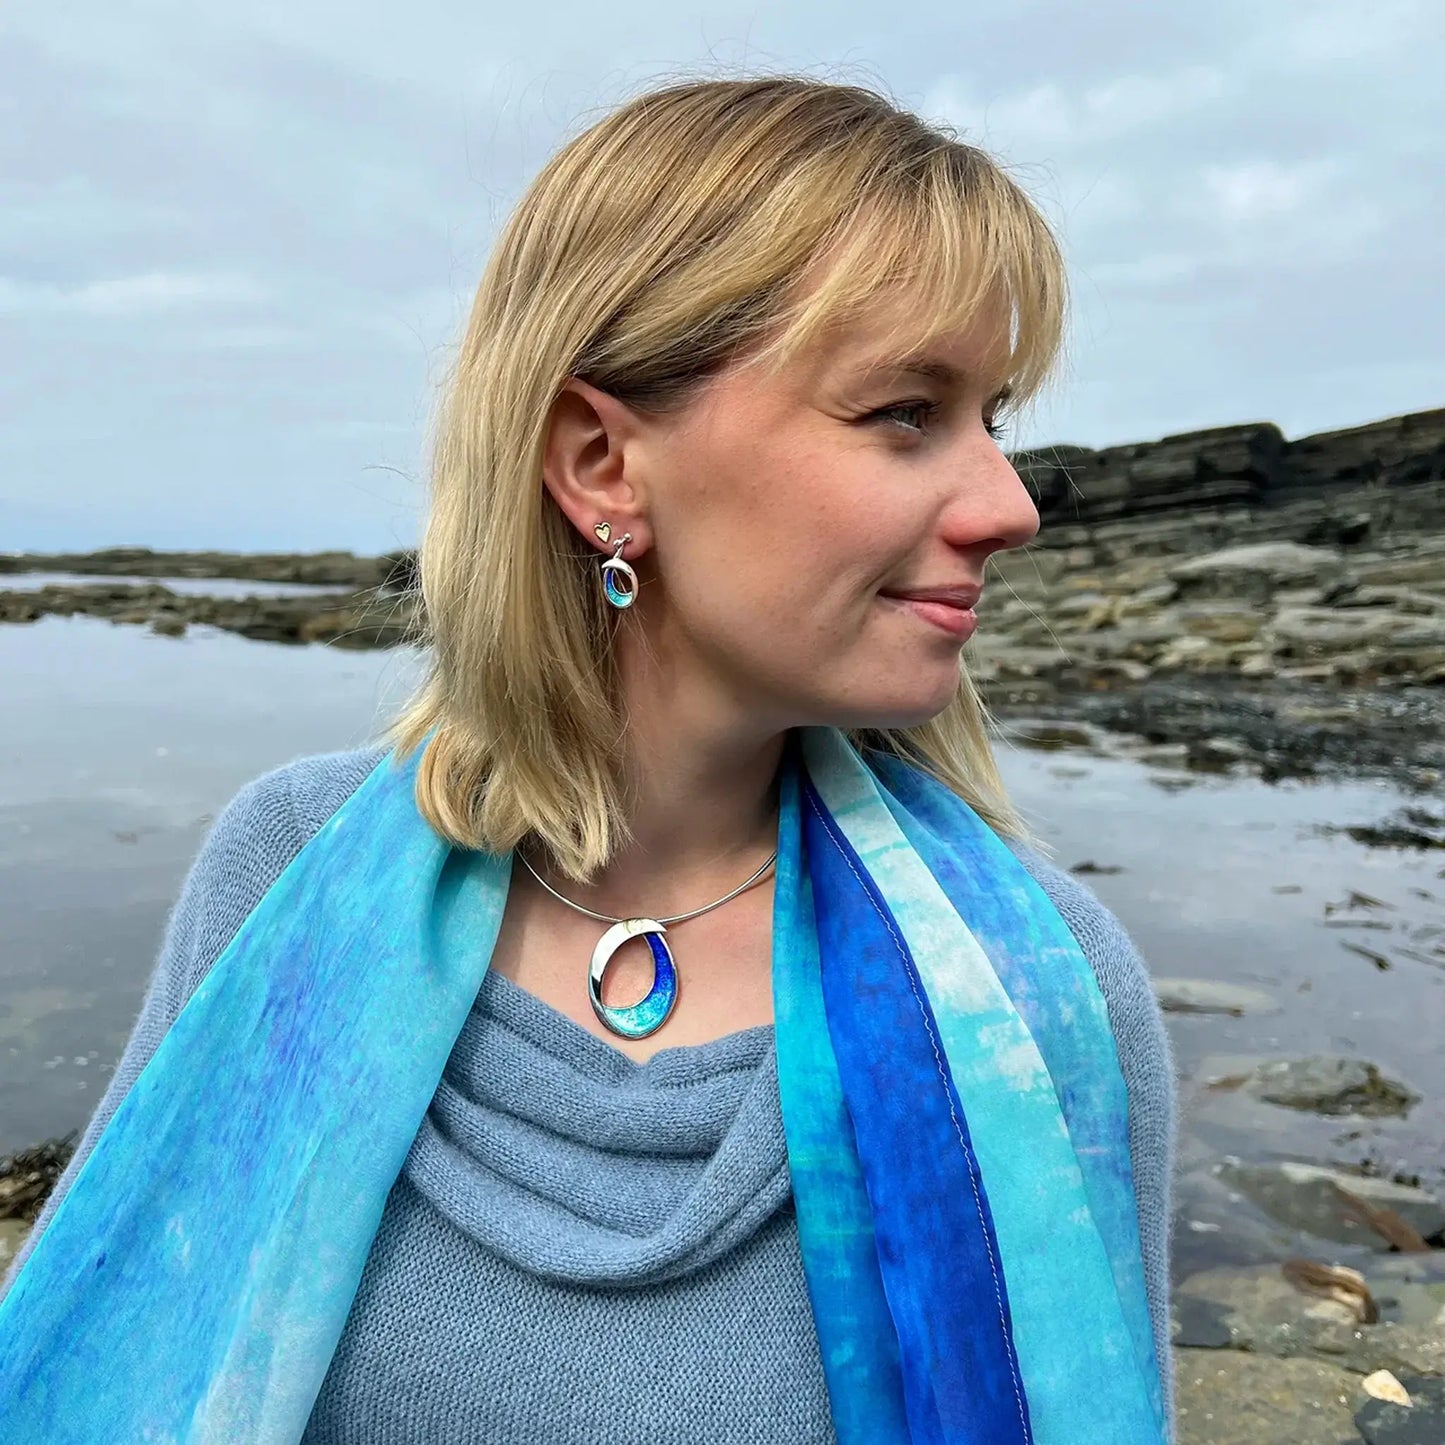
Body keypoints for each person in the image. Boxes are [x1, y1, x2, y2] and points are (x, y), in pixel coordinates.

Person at [0, 74, 1177, 1443]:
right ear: (602, 464)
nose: (1009, 503)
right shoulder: (283, 876)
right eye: (906, 411)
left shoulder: (1039, 991)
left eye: (997, 416)